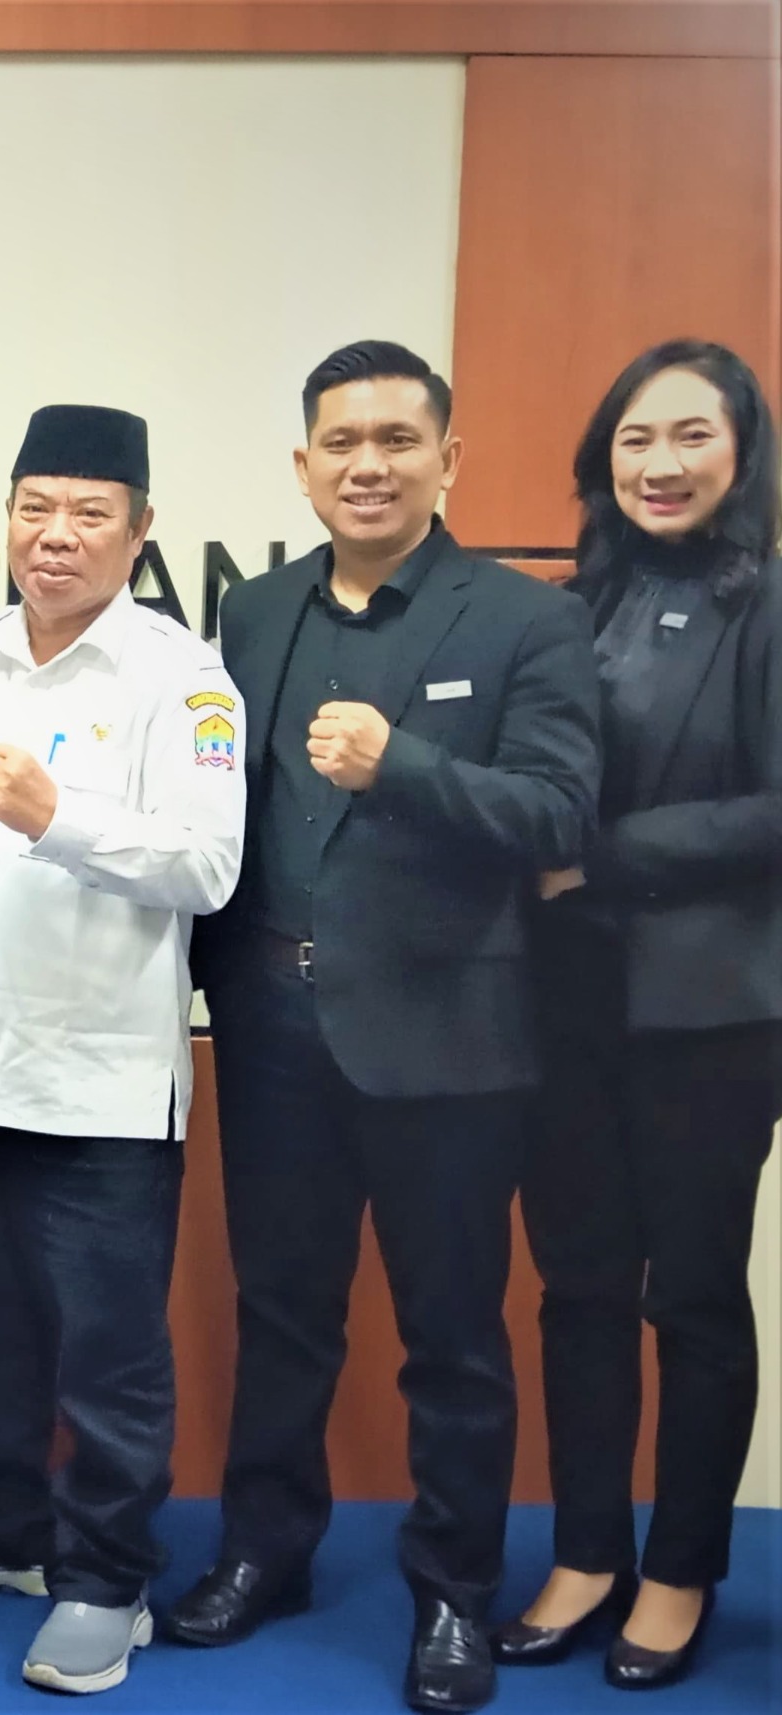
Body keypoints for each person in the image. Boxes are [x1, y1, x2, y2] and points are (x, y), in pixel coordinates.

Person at [175, 342, 602, 1715]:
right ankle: (264, 1549)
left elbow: (560, 812)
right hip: (270, 1022)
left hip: (447, 1034)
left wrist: (400, 764)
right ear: (304, 466)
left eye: (397, 440)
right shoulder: (253, 612)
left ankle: (455, 1589)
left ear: (446, 459)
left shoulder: (525, 618)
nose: (368, 465)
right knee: (281, 1311)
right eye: (342, 443)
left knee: (452, 1333)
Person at [0, 404, 243, 1697]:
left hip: (99, 1081)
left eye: (89, 513)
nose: (56, 535)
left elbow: (207, 865)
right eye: (34, 507)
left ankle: (105, 1575)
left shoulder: (180, 678)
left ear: (139, 531)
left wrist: (61, 817)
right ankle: (4, 1520)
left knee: (107, 1353)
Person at [495, 340, 781, 1692]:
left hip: (710, 1014)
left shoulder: (768, 603)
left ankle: (680, 1568)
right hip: (563, 1002)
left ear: (743, 451)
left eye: (690, 435)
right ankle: (587, 1550)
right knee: (580, 1289)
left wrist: (600, 858)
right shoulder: (569, 605)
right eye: (634, 439)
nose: (660, 464)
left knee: (698, 1297)